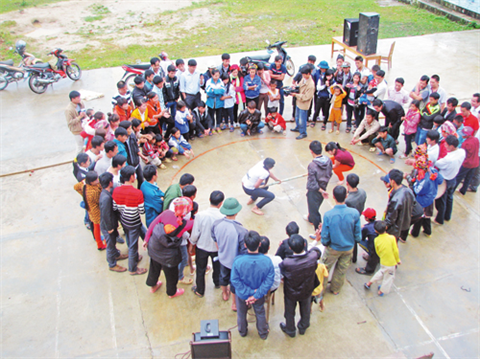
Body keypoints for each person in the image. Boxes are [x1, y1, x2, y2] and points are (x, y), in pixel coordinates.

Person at [144, 197, 194, 298]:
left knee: (154, 268)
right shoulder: (186, 224)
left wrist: (146, 239)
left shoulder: (166, 213)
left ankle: (153, 286)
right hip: (168, 255)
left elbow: (153, 224)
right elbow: (198, 223)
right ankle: (172, 293)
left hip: (155, 247)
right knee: (171, 275)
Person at [230, 231, 275, 340]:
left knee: (241, 313)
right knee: (260, 312)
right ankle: (263, 332)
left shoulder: (238, 261)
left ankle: (242, 331)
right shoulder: (267, 261)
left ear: (245, 245)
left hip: (242, 295)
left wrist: (247, 293)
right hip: (258, 294)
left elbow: (234, 280)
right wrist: (255, 295)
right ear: (259, 244)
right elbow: (269, 281)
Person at [320, 186, 361, 295]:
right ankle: (336, 289)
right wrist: (355, 240)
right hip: (348, 247)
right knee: (341, 269)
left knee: (325, 269)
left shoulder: (329, 215)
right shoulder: (354, 213)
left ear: (333, 197)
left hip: (333, 248)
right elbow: (357, 233)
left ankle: (321, 290)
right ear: (346, 196)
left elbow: (325, 234)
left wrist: (325, 243)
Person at [279, 234, 321, 337]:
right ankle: (303, 326)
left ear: (290, 248)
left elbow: (282, 273)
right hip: (307, 289)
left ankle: (290, 329)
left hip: (291, 291)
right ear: (304, 244)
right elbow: (317, 252)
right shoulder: (312, 257)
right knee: (305, 309)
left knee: (289, 311)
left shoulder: (287, 263)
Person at [211, 197, 248, 311]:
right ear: (236, 212)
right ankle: (234, 303)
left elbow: (214, 237)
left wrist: (221, 250)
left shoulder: (216, 224)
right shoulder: (241, 231)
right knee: (234, 282)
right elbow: (243, 250)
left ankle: (224, 293)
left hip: (222, 258)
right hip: (235, 262)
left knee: (223, 277)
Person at [190, 190, 225, 297]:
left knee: (200, 269)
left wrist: (191, 245)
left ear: (209, 200)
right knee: (217, 267)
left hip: (202, 247)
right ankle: (217, 282)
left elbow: (195, 233)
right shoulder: (222, 217)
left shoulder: (200, 215)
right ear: (221, 203)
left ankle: (200, 290)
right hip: (216, 249)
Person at [112, 166, 147, 275]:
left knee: (135, 238)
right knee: (133, 246)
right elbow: (141, 211)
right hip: (134, 221)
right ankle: (133, 268)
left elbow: (115, 207)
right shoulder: (137, 193)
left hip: (124, 220)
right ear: (132, 177)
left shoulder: (116, 190)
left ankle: (135, 258)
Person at [408, 146, 444, 238]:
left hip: (422, 200)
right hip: (431, 197)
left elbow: (417, 190)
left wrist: (414, 182)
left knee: (419, 215)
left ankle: (415, 233)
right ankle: (428, 231)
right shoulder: (433, 171)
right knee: (427, 214)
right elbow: (440, 181)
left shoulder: (423, 179)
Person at [99, 172, 128, 272]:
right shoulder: (106, 197)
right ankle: (112, 264)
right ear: (110, 183)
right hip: (108, 225)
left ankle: (116, 254)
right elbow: (106, 214)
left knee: (113, 241)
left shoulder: (104, 193)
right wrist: (110, 228)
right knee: (110, 244)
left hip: (111, 224)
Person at [434, 135, 466, 224]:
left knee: (442, 201)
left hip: (445, 180)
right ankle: (447, 216)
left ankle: (439, 219)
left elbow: (437, 163)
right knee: (449, 198)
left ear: (451, 146)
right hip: (453, 178)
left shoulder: (448, 159)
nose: (445, 146)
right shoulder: (462, 152)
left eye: (447, 145)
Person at [364, 221, 401, 296]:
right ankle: (381, 291)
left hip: (383, 261)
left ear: (376, 230)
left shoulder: (376, 240)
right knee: (388, 278)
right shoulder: (392, 238)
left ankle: (369, 283)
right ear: (386, 228)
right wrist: (397, 260)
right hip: (391, 263)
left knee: (381, 272)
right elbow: (396, 251)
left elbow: (377, 252)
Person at [306, 141, 333, 235]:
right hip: (323, 186)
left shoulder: (312, 165)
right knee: (313, 206)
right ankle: (310, 218)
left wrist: (321, 191)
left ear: (311, 151)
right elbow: (330, 173)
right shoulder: (328, 160)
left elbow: (312, 183)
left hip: (316, 191)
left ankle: (318, 231)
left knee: (314, 211)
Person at [74, 171, 106, 250]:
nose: (98, 181)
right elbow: (100, 200)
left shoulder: (84, 186)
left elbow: (75, 186)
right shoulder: (93, 192)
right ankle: (102, 243)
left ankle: (99, 244)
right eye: (96, 180)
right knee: (103, 228)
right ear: (91, 182)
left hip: (90, 210)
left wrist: (83, 183)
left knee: (96, 227)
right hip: (97, 212)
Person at [384, 169, 415, 242]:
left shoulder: (396, 199)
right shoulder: (408, 190)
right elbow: (414, 203)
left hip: (396, 227)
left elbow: (391, 218)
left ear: (393, 181)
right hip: (405, 222)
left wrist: (384, 226)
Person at [290, 66, 315, 140]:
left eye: (304, 74)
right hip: (299, 102)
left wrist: (296, 95)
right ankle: (298, 127)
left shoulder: (311, 85)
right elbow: (300, 86)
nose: (303, 76)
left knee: (302, 119)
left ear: (308, 74)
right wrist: (295, 87)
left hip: (304, 104)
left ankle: (303, 132)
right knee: (297, 117)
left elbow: (306, 97)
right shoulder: (304, 79)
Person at [354, 208, 380, 275]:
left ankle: (368, 269)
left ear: (367, 218)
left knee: (357, 239)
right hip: (381, 246)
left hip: (373, 249)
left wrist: (362, 228)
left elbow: (361, 238)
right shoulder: (378, 223)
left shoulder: (367, 228)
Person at [454, 127, 479, 195]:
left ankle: (452, 189)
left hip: (467, 163)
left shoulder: (465, 143)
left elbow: (463, 155)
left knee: (459, 177)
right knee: (468, 178)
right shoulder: (476, 139)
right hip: (475, 162)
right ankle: (463, 191)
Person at [205, 69, 225, 133]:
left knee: (219, 115)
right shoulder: (208, 81)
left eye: (218, 75)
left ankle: (218, 126)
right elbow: (208, 91)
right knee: (211, 115)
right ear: (212, 75)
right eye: (215, 75)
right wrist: (217, 91)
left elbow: (222, 91)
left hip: (219, 102)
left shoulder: (220, 81)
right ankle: (212, 127)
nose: (217, 77)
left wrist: (214, 90)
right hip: (211, 102)